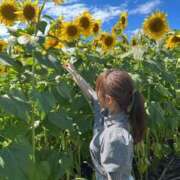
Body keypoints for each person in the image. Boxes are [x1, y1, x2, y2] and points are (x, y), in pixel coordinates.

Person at [63, 62, 147, 180]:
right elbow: (92, 96)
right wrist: (75, 74)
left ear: (108, 100)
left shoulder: (116, 136)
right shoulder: (110, 112)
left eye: (99, 92)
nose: (97, 96)